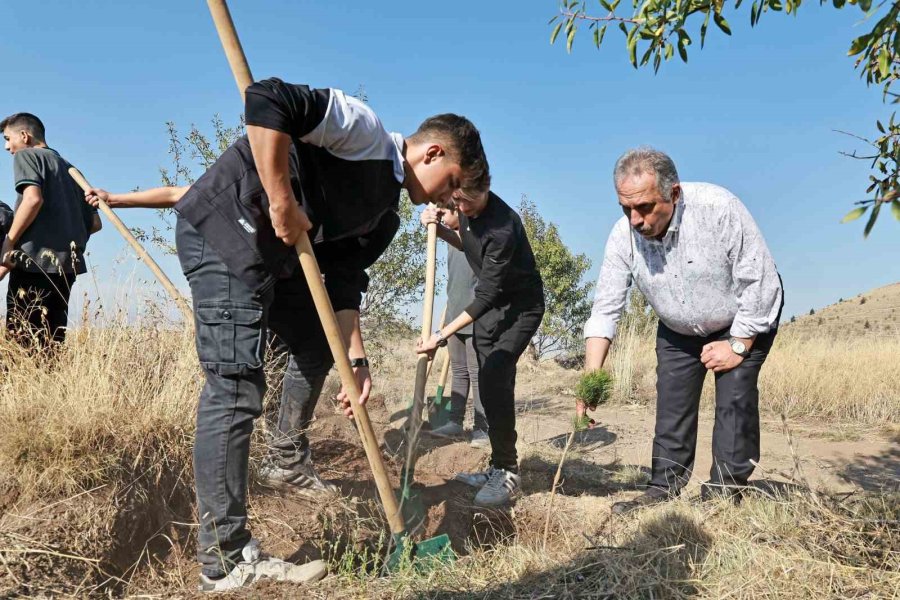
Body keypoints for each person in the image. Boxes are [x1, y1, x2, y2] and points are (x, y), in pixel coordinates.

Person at [92, 78, 489, 592]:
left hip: (271, 261)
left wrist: (358, 364)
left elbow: (344, 284)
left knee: (315, 341)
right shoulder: (363, 131)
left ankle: (284, 457)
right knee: (235, 385)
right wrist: (281, 200)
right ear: (433, 153)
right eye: (451, 183)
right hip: (223, 232)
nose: (448, 199)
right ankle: (225, 560)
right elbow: (267, 100)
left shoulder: (383, 217)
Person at [582, 147, 783, 514]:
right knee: (672, 403)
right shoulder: (622, 236)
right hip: (677, 327)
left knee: (734, 400)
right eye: (626, 208)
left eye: (644, 207)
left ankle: (724, 492)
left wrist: (737, 345)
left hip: (742, 317)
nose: (635, 219)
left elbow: (760, 283)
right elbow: (606, 307)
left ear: (673, 193)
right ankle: (663, 488)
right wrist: (591, 374)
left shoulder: (718, 208)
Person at [414, 185, 544, 508]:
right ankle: (498, 465)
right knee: (487, 380)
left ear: (484, 187)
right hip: (494, 307)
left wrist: (440, 336)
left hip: (520, 307)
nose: (460, 207)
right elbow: (465, 243)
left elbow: (484, 295)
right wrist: (437, 227)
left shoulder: (501, 226)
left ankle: (508, 471)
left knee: (496, 373)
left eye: (464, 203)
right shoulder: (466, 209)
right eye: (455, 202)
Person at [1, 113, 101, 350]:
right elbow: (96, 224)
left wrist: (9, 241)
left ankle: (25, 388)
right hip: (66, 268)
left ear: (24, 136)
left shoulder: (28, 155)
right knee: (51, 343)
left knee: (22, 342)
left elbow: (32, 200)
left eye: (8, 139)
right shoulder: (70, 168)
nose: (7, 147)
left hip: (33, 263)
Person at [422, 206, 488, 447]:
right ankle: (455, 422)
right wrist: (433, 225)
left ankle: (482, 428)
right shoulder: (451, 235)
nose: (441, 216)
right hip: (453, 315)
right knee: (459, 371)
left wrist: (435, 226)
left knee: (477, 372)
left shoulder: (474, 235)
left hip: (474, 316)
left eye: (443, 211)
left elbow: (460, 239)